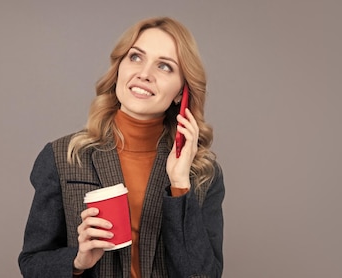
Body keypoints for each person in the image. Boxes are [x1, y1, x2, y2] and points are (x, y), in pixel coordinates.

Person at [18, 17, 225, 278]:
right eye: (136, 57)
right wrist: (78, 261)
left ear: (180, 94)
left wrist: (180, 183)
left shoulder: (204, 174)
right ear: (119, 68)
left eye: (164, 66)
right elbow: (32, 263)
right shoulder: (63, 157)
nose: (144, 74)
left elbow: (203, 275)